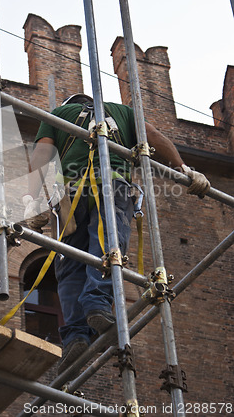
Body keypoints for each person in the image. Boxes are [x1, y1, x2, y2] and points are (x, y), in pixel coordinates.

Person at [22, 94, 210, 374]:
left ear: (71, 103)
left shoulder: (58, 115)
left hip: (71, 195)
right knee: (108, 245)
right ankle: (97, 304)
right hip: (111, 185)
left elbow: (41, 156)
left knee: (71, 264)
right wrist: (184, 169)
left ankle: (75, 334)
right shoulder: (122, 112)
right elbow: (153, 137)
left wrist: (31, 202)